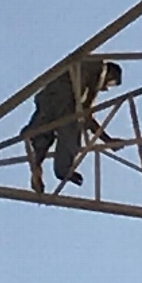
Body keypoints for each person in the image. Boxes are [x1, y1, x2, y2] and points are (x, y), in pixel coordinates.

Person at [22, 60, 122, 193]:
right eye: (109, 84)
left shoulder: (80, 71)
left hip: (48, 97)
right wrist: (107, 140)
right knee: (71, 130)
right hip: (65, 99)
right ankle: (63, 169)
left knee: (41, 133)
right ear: (110, 74)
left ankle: (36, 168)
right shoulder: (99, 69)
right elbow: (86, 115)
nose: (104, 89)